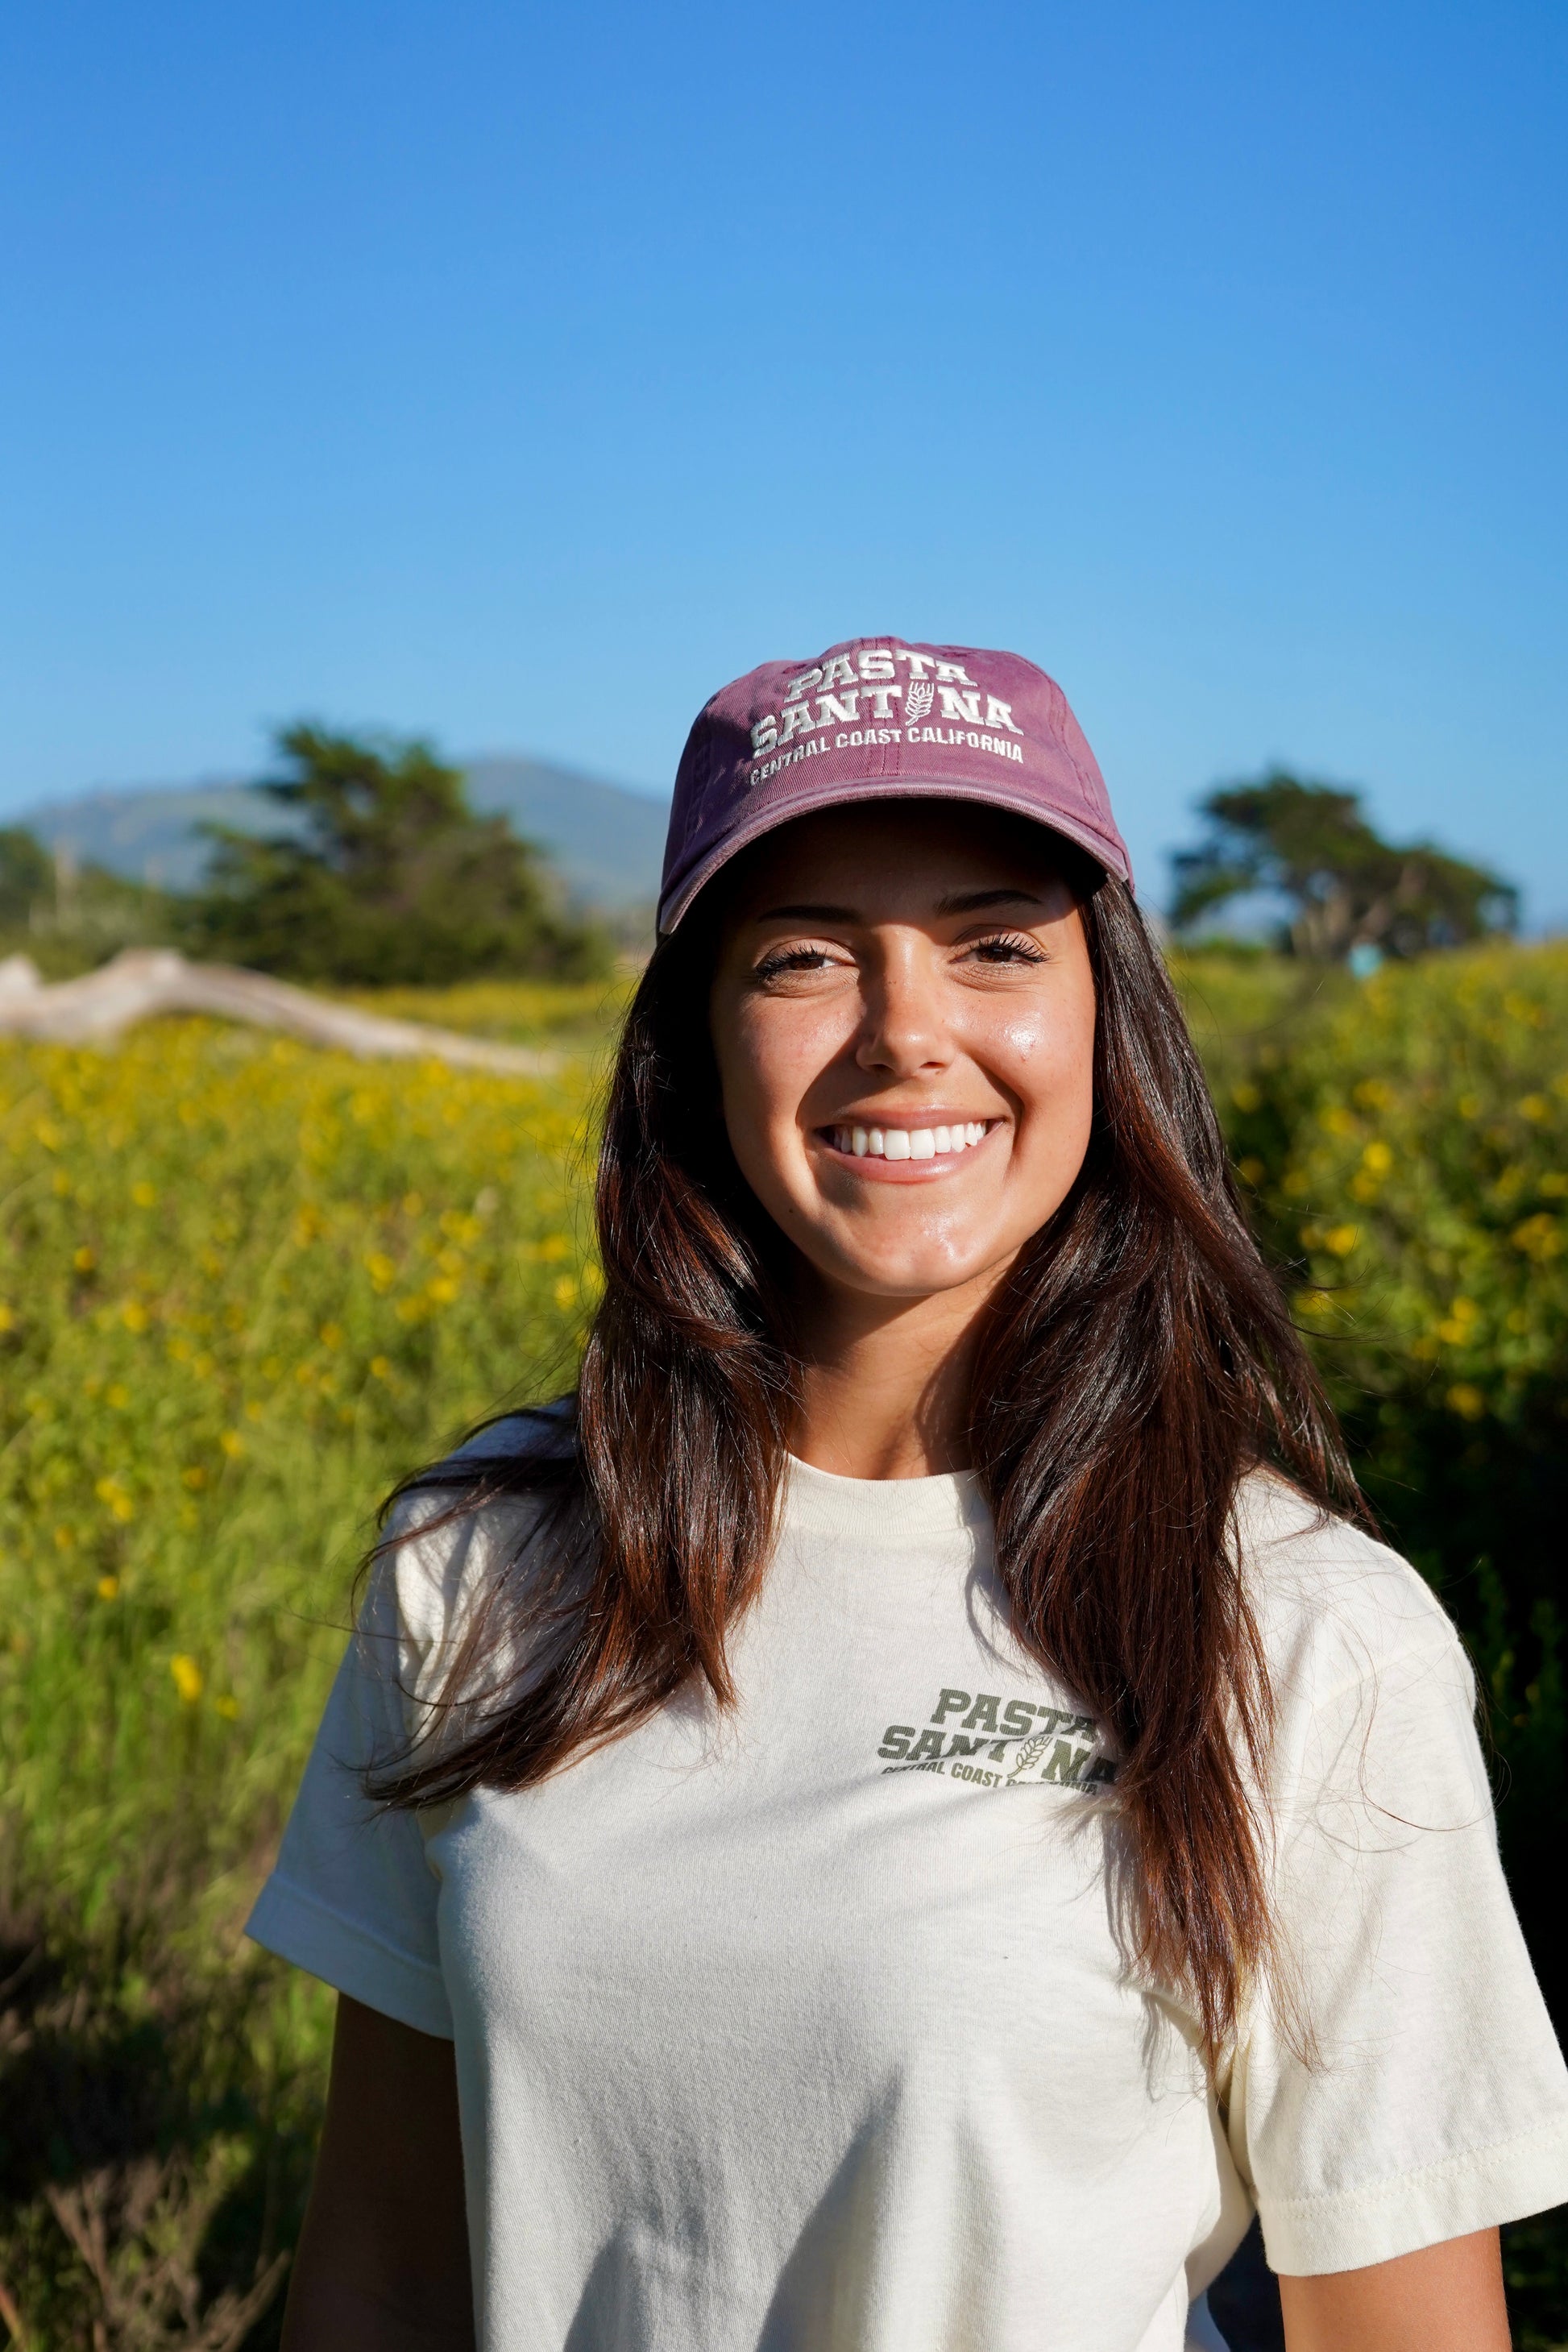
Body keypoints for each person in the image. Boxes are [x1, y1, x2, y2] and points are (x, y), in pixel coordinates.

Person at [251, 641, 1568, 2352]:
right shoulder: (483, 1565)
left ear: (1109, 1011)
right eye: (804, 956)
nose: (905, 1032)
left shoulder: (1303, 1630)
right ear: (696, 1040)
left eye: (994, 945)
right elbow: (382, 2277)